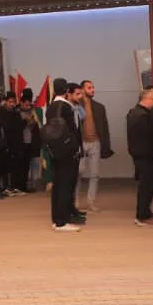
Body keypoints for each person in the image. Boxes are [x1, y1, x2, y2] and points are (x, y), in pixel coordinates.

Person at [46, 79, 83, 232]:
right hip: (68, 152)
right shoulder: (67, 107)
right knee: (66, 185)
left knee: (58, 185)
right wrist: (77, 148)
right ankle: (62, 221)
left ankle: (56, 219)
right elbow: (73, 131)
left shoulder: (50, 107)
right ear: (67, 90)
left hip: (54, 151)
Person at [126, 86, 153, 226]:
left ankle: (144, 212)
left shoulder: (133, 112)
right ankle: (142, 216)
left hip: (138, 153)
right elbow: (149, 136)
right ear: (147, 98)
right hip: (145, 154)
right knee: (146, 185)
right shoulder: (143, 116)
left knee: (145, 185)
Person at [77, 80, 113, 212]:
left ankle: (90, 202)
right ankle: (74, 201)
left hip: (95, 143)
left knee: (95, 174)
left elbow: (105, 127)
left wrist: (106, 145)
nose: (92, 90)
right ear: (82, 90)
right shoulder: (75, 105)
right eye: (89, 87)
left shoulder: (99, 107)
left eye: (93, 87)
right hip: (80, 143)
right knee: (78, 172)